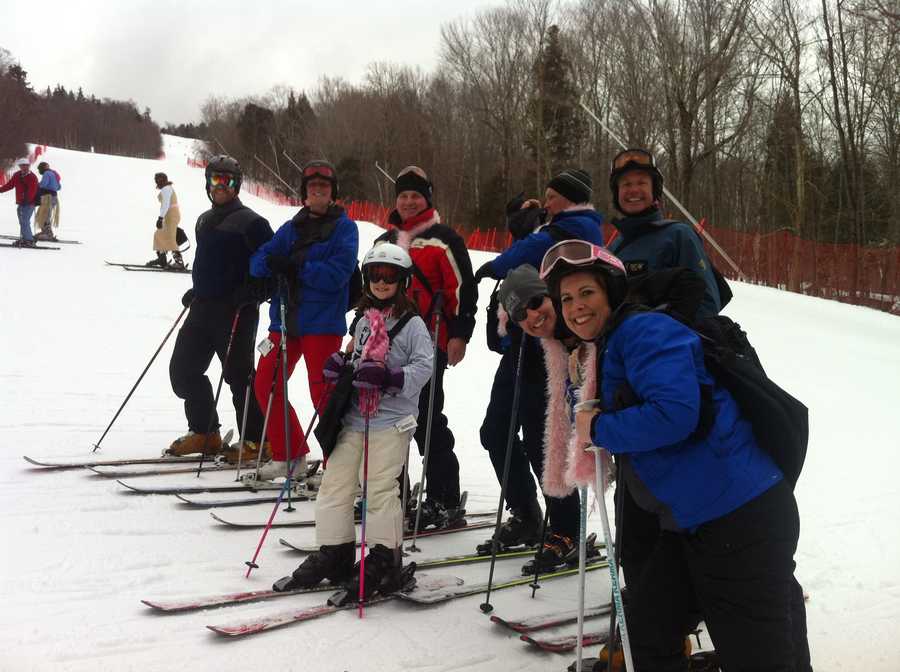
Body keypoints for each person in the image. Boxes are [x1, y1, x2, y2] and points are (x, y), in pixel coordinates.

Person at [539, 239, 809, 671]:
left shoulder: (644, 331)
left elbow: (676, 414)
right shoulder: (615, 341)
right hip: (695, 523)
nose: (575, 306)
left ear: (611, 291)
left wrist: (602, 427)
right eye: (566, 298)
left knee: (760, 656)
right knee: (646, 627)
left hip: (736, 519)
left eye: (586, 292)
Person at [273, 242, 433, 599]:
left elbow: (425, 367)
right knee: (335, 483)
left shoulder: (413, 325)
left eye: (389, 276)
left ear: (403, 281)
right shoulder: (362, 320)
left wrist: (390, 379)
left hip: (392, 421)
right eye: (375, 275)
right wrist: (340, 367)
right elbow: (355, 356)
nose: (381, 282)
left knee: (379, 489)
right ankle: (335, 551)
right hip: (355, 417)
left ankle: (383, 559)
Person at [376, 166, 477, 529]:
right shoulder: (385, 241)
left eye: (415, 196)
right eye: (403, 195)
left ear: (427, 199)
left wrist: (460, 333)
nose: (408, 201)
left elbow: (463, 290)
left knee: (426, 422)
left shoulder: (444, 240)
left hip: (429, 342)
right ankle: (390, 494)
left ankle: (444, 498)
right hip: (384, 345)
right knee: (387, 421)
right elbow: (371, 288)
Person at [248, 160, 359, 481]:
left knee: (323, 393)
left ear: (333, 193)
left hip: (322, 323)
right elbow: (258, 262)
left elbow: (338, 274)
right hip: (283, 320)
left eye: (324, 188)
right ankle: (289, 454)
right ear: (305, 194)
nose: (318, 193)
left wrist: (296, 266)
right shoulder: (290, 228)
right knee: (265, 382)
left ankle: (336, 464)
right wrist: (273, 263)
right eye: (312, 188)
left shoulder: (344, 229)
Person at [476, 262, 589, 571]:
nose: (534, 315)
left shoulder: (571, 316)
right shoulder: (520, 325)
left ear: (549, 294)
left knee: (547, 444)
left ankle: (567, 531)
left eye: (537, 303)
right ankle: (526, 513)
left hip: (555, 368)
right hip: (522, 360)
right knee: (495, 433)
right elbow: (494, 341)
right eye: (522, 313)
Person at [166, 155, 273, 463]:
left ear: (237, 185)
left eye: (227, 180)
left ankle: (256, 441)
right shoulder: (203, 220)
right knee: (183, 372)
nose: (221, 186)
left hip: (236, 311)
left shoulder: (253, 223)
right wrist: (198, 290)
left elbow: (273, 269)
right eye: (215, 179)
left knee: (239, 378)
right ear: (208, 183)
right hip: (203, 309)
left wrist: (253, 292)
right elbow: (210, 264)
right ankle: (205, 433)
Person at [607, 148, 722, 317]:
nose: (633, 190)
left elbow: (707, 305)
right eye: (626, 184)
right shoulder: (614, 247)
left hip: (662, 341)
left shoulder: (678, 236)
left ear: (655, 190)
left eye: (641, 183)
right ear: (617, 193)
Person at [147, 172, 185, 270]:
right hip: (170, 215)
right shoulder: (166, 188)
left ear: (161, 180)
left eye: (157, 180)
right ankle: (161, 259)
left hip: (171, 215)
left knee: (170, 237)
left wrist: (160, 218)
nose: (156, 182)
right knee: (159, 234)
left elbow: (166, 204)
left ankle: (179, 263)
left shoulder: (166, 189)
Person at [0, 158, 38, 247]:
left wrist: (27, 200)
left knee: (25, 221)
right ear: (20, 166)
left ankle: (29, 240)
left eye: (26, 165)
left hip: (29, 203)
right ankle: (25, 238)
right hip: (21, 202)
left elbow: (32, 190)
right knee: (22, 221)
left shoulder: (32, 177)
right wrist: (1, 190)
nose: (24, 167)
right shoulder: (17, 175)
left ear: (29, 166)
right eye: (22, 165)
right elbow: (10, 185)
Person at [33, 161, 61, 241]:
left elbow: (43, 185)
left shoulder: (47, 174)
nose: (39, 171)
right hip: (54, 197)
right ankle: (45, 232)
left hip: (48, 197)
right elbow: (59, 187)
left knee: (44, 215)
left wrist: (37, 185)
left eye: (39, 169)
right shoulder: (54, 174)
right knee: (44, 215)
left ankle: (48, 234)